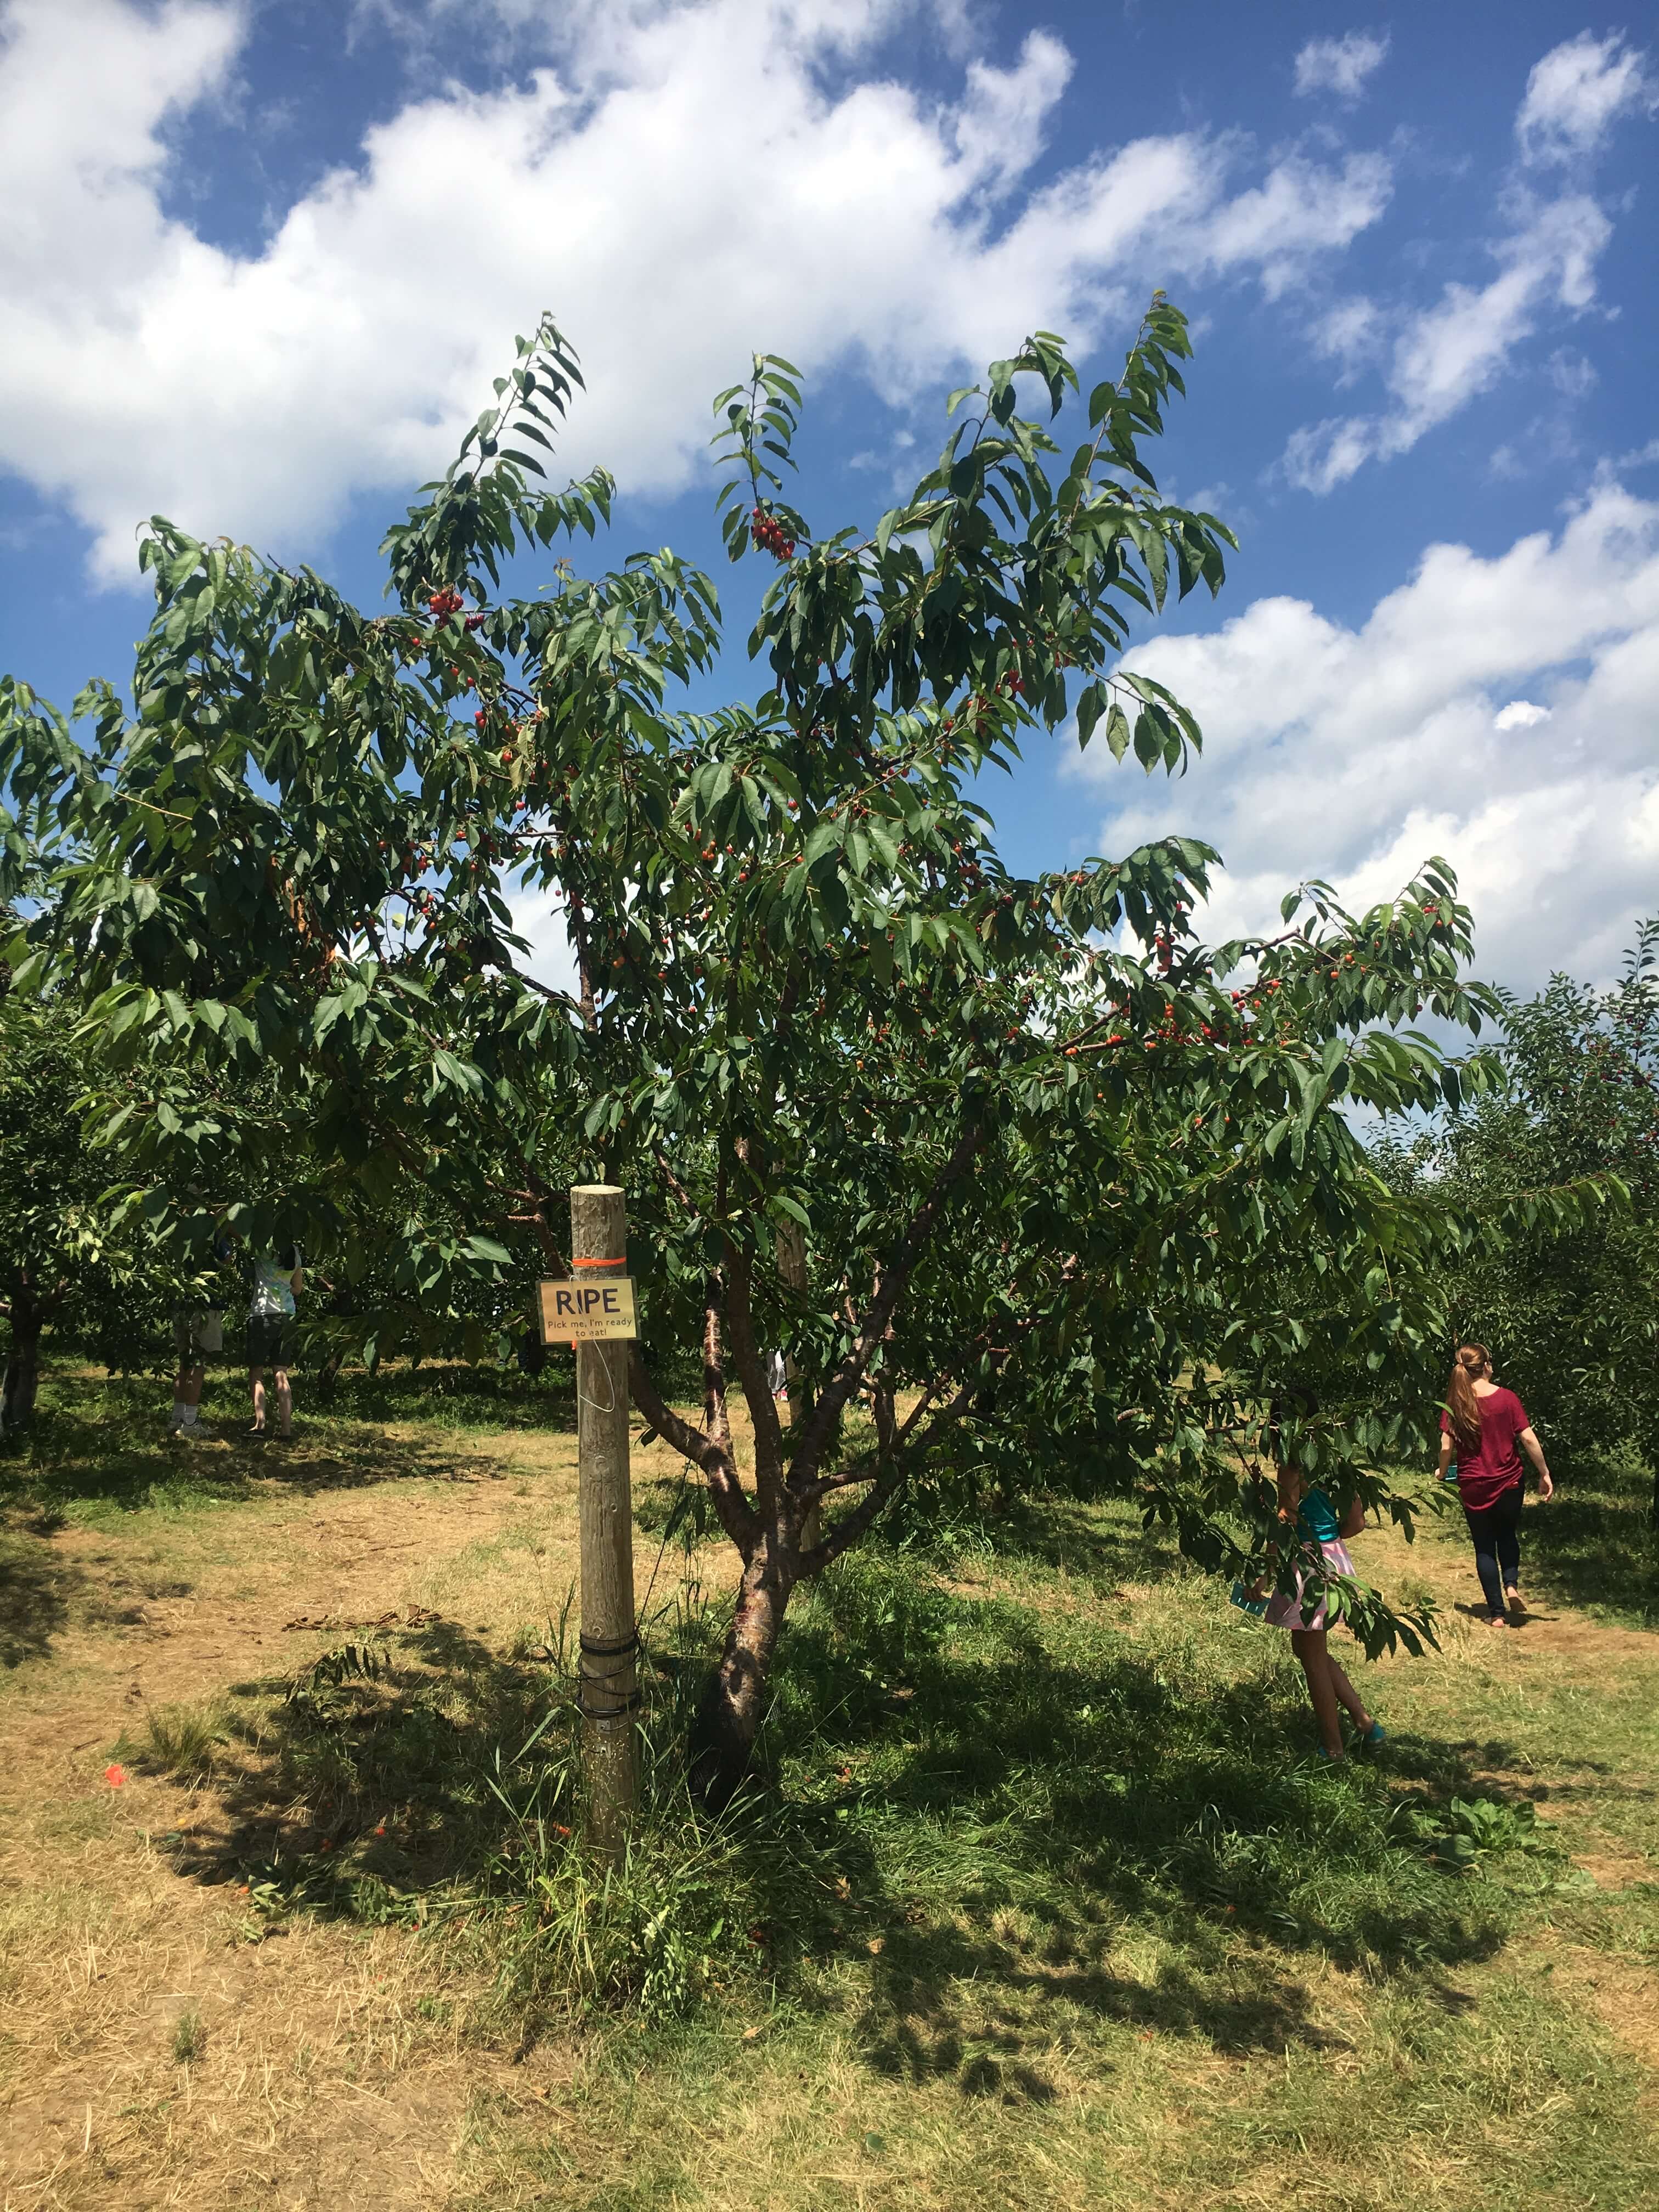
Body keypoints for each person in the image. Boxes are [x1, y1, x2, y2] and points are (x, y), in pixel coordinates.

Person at [1255, 1400, 1386, 1763]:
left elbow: (1285, 1522)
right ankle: (1364, 1723)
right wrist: (1331, 1542)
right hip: (1335, 1556)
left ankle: (1334, 1749)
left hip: (1307, 1562)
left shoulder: (1292, 1467)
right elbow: (1357, 1522)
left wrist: (1266, 1574)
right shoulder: (1338, 1462)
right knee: (1309, 1650)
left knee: (1313, 1661)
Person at [1436, 1344, 1554, 1626]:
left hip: (1474, 1484)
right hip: (1510, 1481)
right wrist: (1544, 1472)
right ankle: (1511, 1584)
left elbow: (1445, 1444)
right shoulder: (1507, 1399)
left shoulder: (1456, 1403)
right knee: (1508, 1535)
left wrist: (1441, 1472)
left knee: (1484, 1548)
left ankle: (1497, 1614)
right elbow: (1528, 1439)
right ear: (1486, 1366)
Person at [246, 1243, 303, 1441]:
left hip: (263, 1316)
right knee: (281, 1373)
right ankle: (286, 1430)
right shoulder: (294, 1252)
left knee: (257, 1372)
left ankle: (260, 1425)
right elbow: (298, 1288)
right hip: (287, 1316)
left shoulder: (263, 1247)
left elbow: (239, 1233)